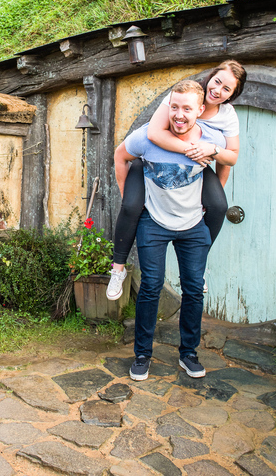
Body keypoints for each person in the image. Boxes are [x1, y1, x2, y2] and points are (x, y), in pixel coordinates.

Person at [107, 60, 247, 301]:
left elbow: (229, 158)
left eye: (227, 89)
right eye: (217, 82)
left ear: (232, 95)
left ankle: (197, 267)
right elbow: (153, 133)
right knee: (131, 206)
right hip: (155, 159)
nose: (218, 90)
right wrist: (190, 150)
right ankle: (117, 269)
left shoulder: (227, 116)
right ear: (210, 77)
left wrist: (212, 168)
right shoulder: (185, 96)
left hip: (197, 165)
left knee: (219, 206)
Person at [113, 80, 214, 381]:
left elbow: (226, 162)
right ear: (166, 108)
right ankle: (142, 354)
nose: (179, 115)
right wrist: (128, 198)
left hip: (193, 224)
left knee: (194, 289)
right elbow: (121, 156)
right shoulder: (146, 137)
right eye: (174, 107)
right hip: (154, 223)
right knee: (151, 287)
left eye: (187, 108)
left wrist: (214, 196)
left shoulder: (209, 139)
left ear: (200, 110)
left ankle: (189, 354)